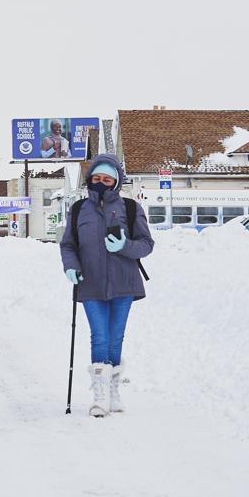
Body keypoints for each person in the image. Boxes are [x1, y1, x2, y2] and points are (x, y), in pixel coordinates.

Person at [59, 154, 155, 417]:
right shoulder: (79, 209)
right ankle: (99, 395)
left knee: (116, 338)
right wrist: (71, 265)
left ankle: (113, 391)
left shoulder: (131, 208)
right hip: (89, 282)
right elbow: (68, 244)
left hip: (124, 283)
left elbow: (146, 245)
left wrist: (124, 246)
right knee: (99, 336)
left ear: (116, 182)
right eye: (97, 178)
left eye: (107, 178)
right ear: (90, 180)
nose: (101, 182)